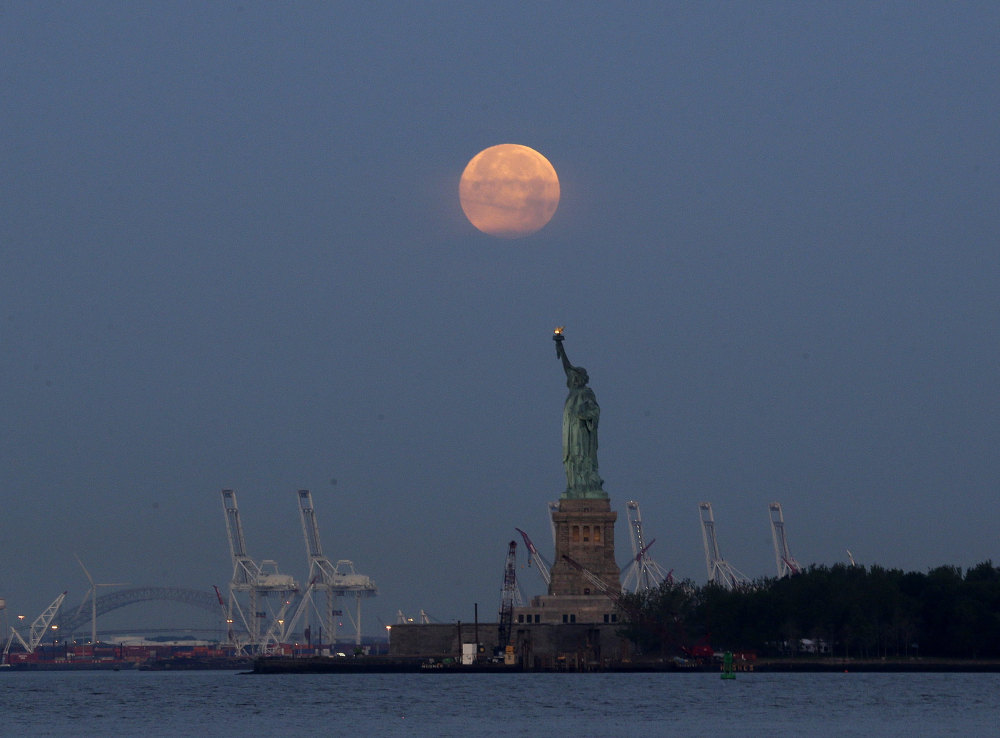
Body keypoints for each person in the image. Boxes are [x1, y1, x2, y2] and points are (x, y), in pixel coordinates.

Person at [554, 332, 606, 498]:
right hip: (571, 433)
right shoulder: (573, 393)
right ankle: (574, 485)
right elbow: (567, 367)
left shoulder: (586, 393)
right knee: (571, 459)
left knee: (581, 457)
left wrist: (584, 414)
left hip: (582, 434)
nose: (574, 379)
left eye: (577, 376)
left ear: (582, 379)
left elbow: (595, 411)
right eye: (573, 377)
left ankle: (586, 484)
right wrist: (560, 347)